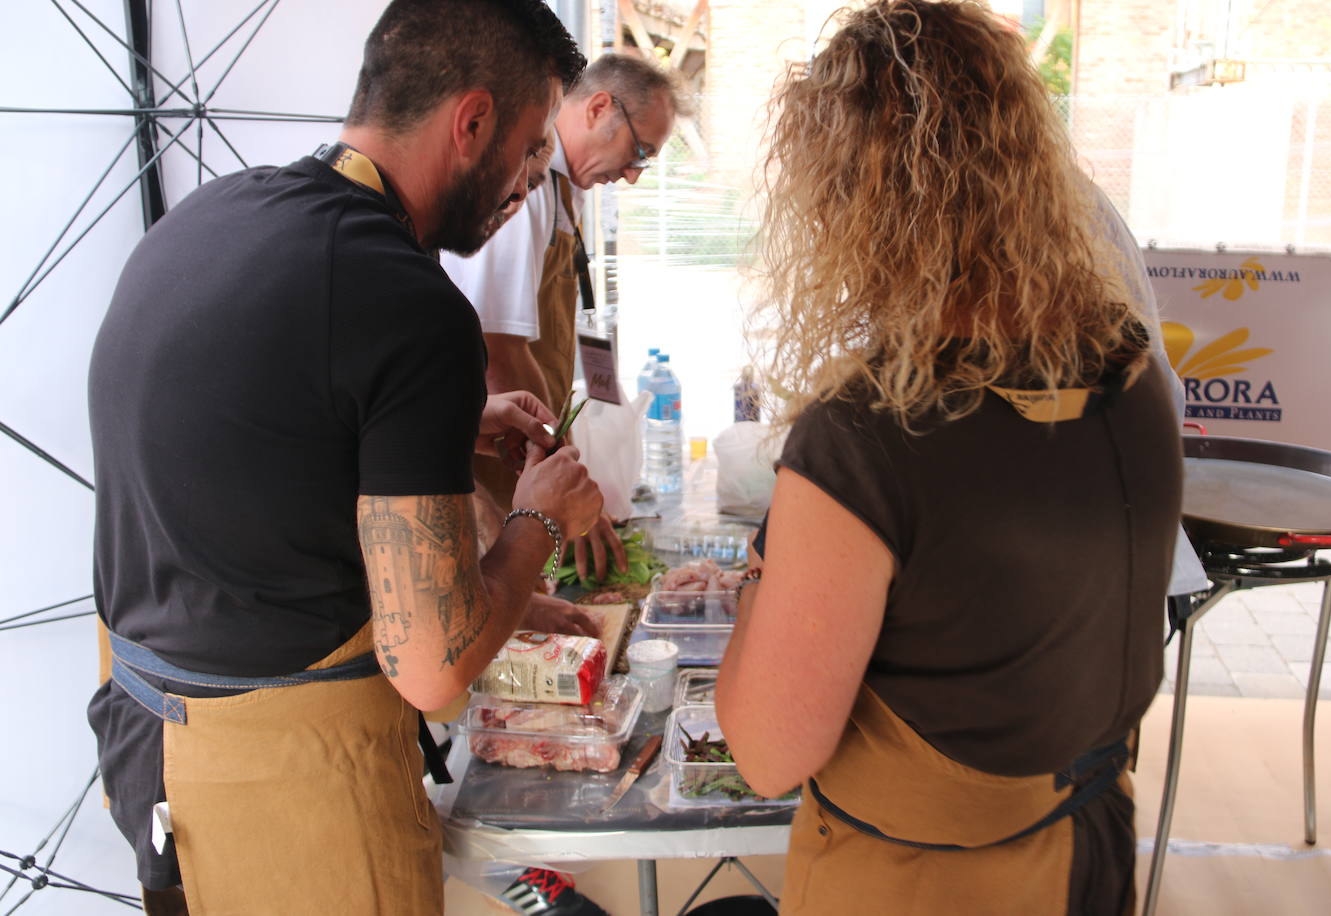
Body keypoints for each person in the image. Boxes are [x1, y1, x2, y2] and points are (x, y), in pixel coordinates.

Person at [85, 2, 598, 913]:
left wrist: (447, 421)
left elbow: (259, 441)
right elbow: (434, 669)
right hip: (292, 789)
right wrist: (536, 523)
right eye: (526, 152)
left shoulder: (211, 216)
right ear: (471, 120)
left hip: (149, 759)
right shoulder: (404, 299)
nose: (526, 184)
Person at [715, 2, 1182, 914]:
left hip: (929, 883)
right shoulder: (1126, 368)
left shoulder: (864, 438)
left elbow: (766, 754)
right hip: (1091, 853)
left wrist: (758, 583)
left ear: (855, 205)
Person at [442, 53, 684, 582]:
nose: (634, 176)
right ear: (599, 107)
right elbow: (498, 350)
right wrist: (563, 477)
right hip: (495, 463)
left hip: (526, 453)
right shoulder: (523, 192)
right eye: (639, 152)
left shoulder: (561, 191)